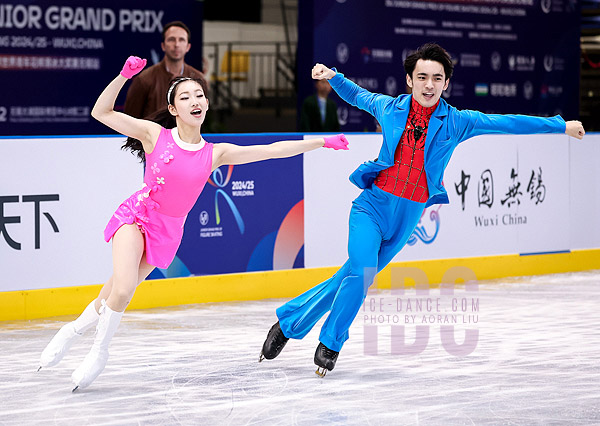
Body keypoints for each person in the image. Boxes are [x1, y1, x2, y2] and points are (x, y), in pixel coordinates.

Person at [260, 42, 586, 377]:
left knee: (351, 277)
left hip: (408, 217)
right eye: (422, 77)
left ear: (446, 84)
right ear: (410, 80)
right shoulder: (389, 108)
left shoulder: (458, 122)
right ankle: (331, 342)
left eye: (436, 78)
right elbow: (358, 95)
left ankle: (288, 324)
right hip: (372, 207)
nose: (429, 84)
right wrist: (333, 76)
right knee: (360, 273)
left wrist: (560, 126)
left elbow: (506, 122)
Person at [38, 56, 349, 391]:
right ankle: (99, 352)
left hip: (168, 232)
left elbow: (271, 150)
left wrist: (320, 141)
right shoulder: (154, 134)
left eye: (198, 95)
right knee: (125, 288)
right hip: (138, 216)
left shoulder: (214, 153)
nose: (194, 101)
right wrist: (122, 76)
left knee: (112, 293)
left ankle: (72, 331)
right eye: (185, 97)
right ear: (173, 109)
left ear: (207, 103)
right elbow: (101, 113)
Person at [124, 21, 204, 119]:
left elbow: (201, 118)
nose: (177, 44)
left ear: (188, 47)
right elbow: (130, 120)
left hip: (187, 134)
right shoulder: (144, 79)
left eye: (182, 40)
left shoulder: (198, 79)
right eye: (171, 39)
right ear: (163, 45)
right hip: (151, 134)